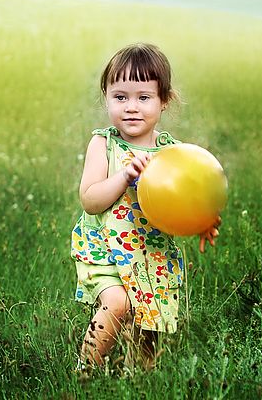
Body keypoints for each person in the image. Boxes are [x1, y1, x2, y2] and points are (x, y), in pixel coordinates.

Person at [71, 42, 220, 374]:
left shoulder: (173, 154)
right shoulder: (103, 143)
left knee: (148, 332)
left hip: (152, 256)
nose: (131, 107)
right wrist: (124, 175)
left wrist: (204, 220)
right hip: (104, 248)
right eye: (120, 97)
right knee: (118, 303)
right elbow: (90, 200)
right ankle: (84, 373)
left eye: (143, 97)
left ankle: (136, 382)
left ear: (163, 101)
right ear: (106, 97)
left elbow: (189, 197)